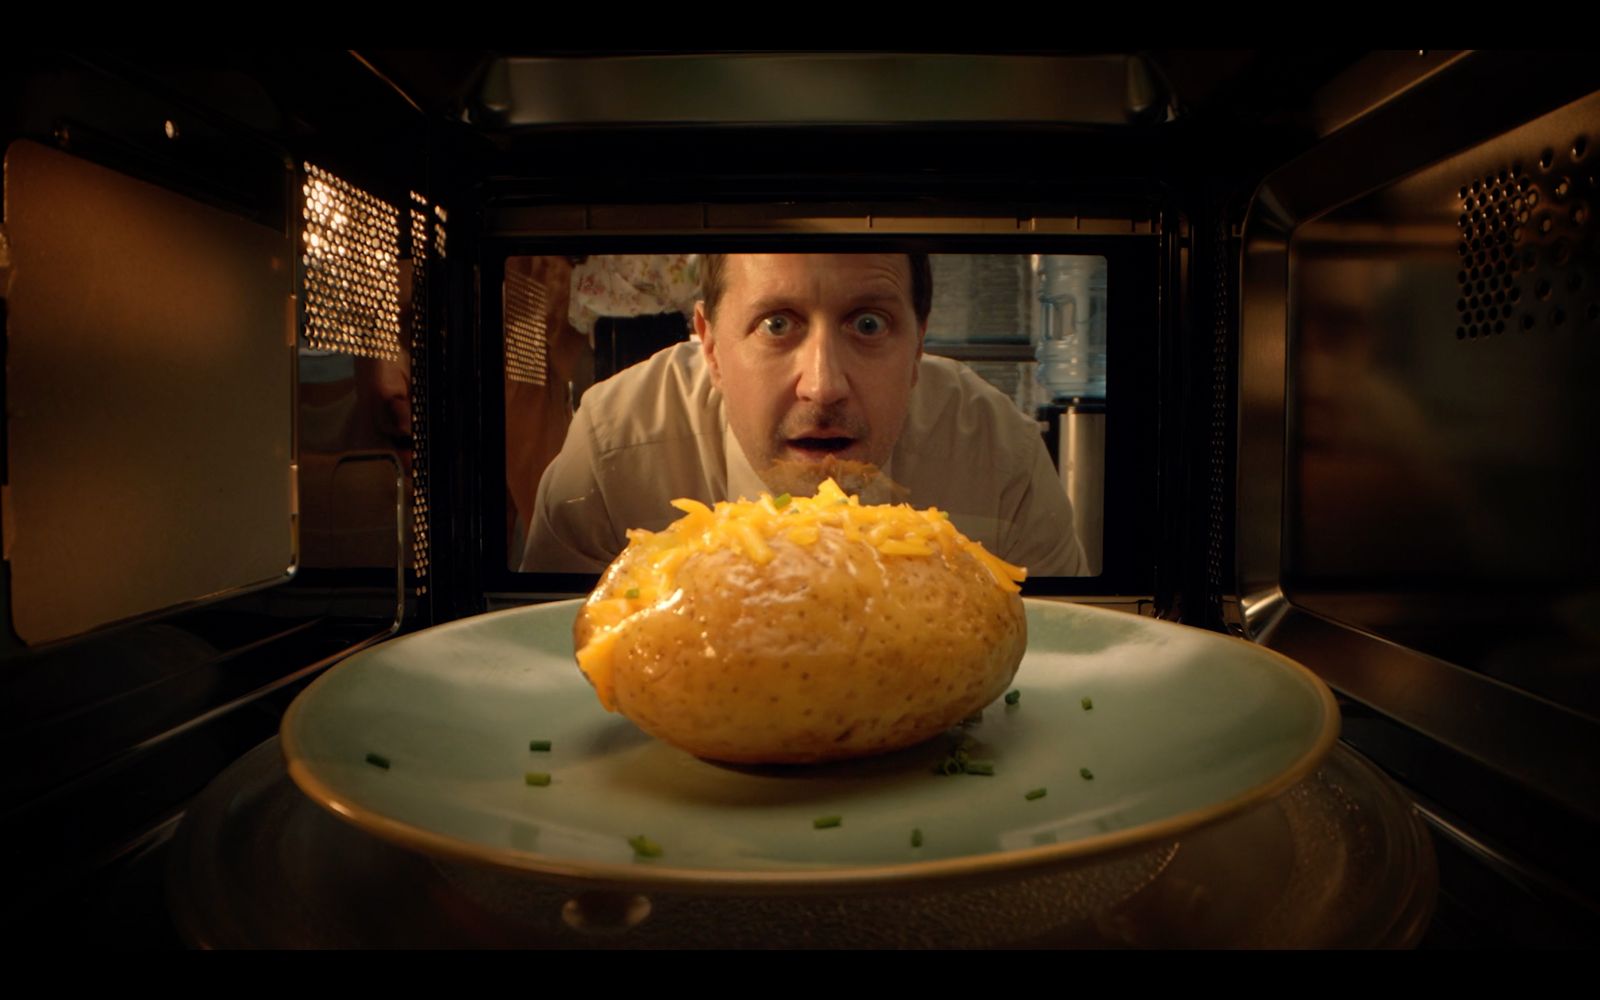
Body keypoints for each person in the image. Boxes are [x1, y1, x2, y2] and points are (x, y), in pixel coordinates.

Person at [519, 253, 1087, 577]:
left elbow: (1066, 669)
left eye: (868, 324)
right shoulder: (610, 452)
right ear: (711, 348)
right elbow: (548, 678)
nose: (823, 387)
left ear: (917, 348)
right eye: (776, 324)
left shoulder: (999, 458)